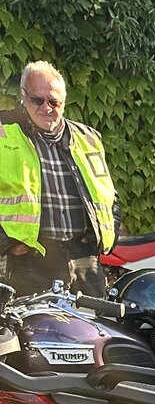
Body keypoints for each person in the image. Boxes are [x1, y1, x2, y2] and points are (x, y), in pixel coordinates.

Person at [0, 61, 119, 297]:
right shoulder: (4, 132)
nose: (47, 107)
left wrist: (106, 236)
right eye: (38, 100)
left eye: (54, 101)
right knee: (37, 322)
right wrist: (7, 244)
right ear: (23, 96)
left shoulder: (88, 138)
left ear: (63, 102)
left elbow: (110, 197)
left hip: (85, 259)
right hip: (32, 261)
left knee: (96, 321)